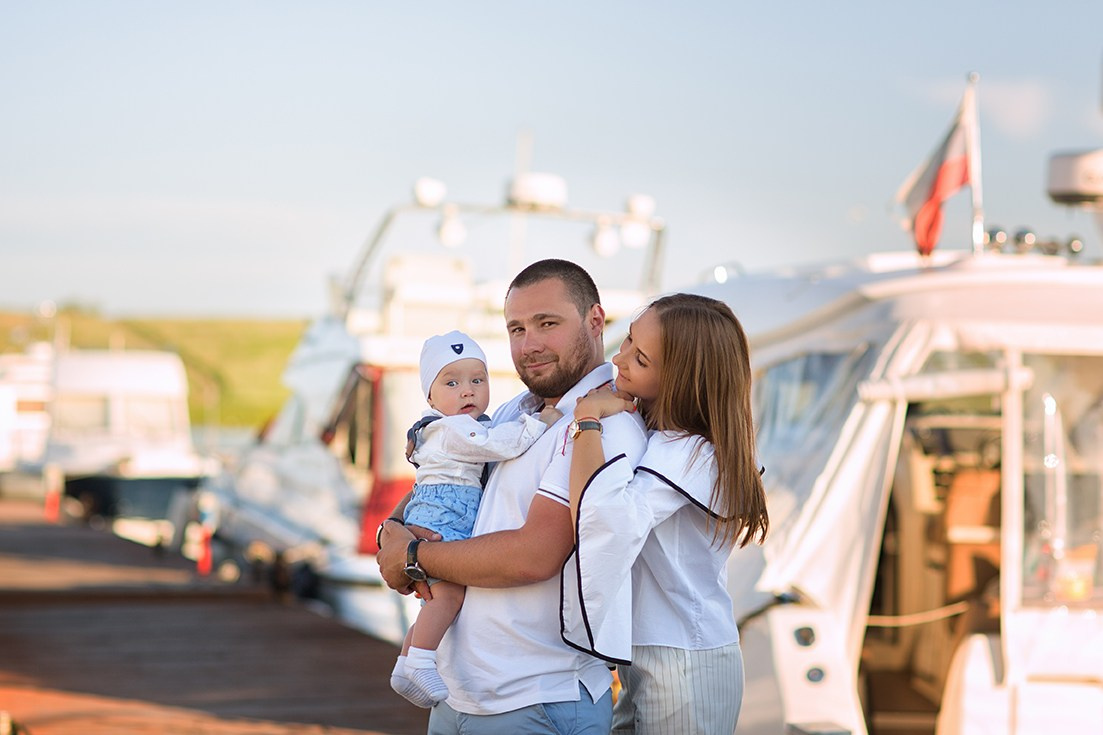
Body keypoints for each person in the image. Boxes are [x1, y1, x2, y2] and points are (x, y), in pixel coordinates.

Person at [377, 259, 648, 734]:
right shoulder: (508, 413)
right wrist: (392, 532)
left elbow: (534, 555)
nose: (529, 344)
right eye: (516, 328)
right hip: (459, 697)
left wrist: (416, 555)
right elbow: (438, 482)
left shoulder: (602, 425)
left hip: (537, 702)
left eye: (548, 324)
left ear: (595, 321)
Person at [562, 293, 769, 734]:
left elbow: (599, 520)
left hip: (685, 659)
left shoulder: (689, 451)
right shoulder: (666, 440)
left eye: (639, 359)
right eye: (627, 341)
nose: (618, 359)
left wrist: (587, 421)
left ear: (680, 379)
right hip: (657, 652)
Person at [389, 329, 562, 708]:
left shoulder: (445, 426)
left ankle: (405, 662)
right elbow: (498, 444)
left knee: (434, 595)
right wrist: (541, 421)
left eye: (477, 380)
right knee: (448, 593)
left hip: (440, 508)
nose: (467, 390)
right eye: (452, 382)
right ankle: (420, 660)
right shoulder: (455, 428)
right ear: (430, 396)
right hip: (446, 513)